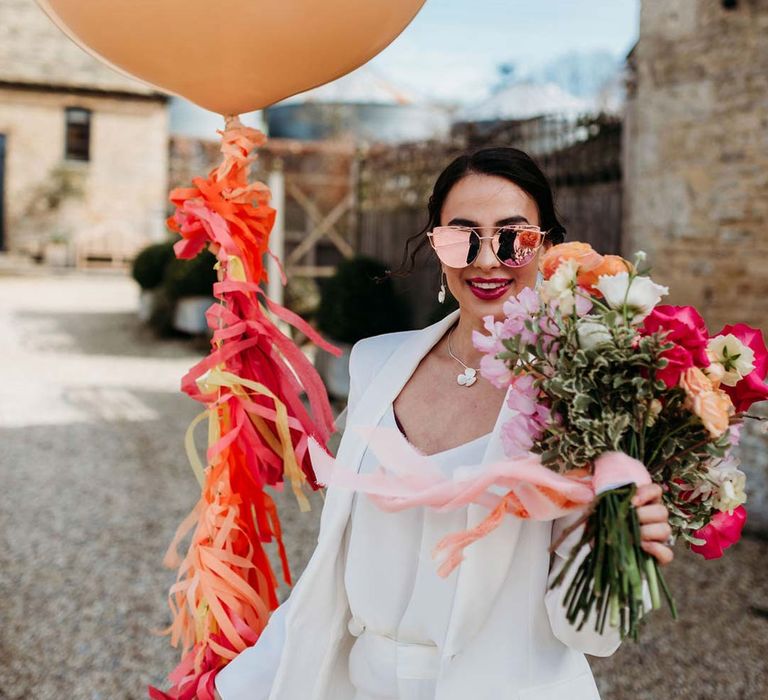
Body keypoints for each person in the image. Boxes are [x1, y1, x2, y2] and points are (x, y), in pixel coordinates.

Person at [214, 148, 674, 700]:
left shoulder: (585, 392)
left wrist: (615, 546)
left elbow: (592, 634)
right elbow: (332, 569)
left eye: (514, 237)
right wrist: (245, 683)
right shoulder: (375, 363)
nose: (486, 260)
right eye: (461, 237)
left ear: (548, 246)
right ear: (436, 247)